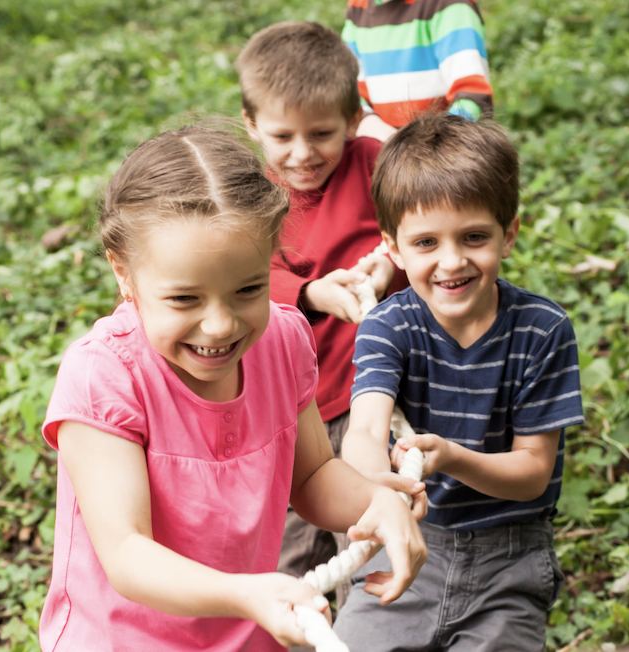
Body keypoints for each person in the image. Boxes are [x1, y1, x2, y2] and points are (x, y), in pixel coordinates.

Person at [37, 126, 426, 652]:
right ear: (122, 271)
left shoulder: (283, 339)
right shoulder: (106, 376)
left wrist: (374, 500)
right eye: (183, 299)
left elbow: (311, 476)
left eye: (248, 289)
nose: (220, 326)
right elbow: (127, 551)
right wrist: (244, 594)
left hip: (248, 634)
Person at [336, 113, 585, 651]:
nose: (452, 261)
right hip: (409, 540)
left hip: (509, 561)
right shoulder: (389, 325)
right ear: (394, 250)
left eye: (474, 237)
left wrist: (449, 456)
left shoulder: (542, 331)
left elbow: (531, 474)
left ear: (509, 234)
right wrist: (385, 493)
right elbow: (363, 432)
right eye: (426, 242)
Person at [235, 21, 422, 614]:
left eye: (322, 134)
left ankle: (371, 626)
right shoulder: (249, 195)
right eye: (282, 135)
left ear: (353, 119)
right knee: (292, 551)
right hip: (291, 406)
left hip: (368, 395)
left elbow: (420, 228)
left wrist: (393, 263)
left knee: (363, 543)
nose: (302, 153)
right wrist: (311, 292)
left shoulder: (376, 166)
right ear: (251, 125)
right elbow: (240, 279)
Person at [342, 0, 494, 142]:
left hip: (440, 156)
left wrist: (437, 145)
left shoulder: (450, 5)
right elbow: (348, 87)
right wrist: (367, 121)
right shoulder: (358, 7)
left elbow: (473, 95)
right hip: (381, 154)